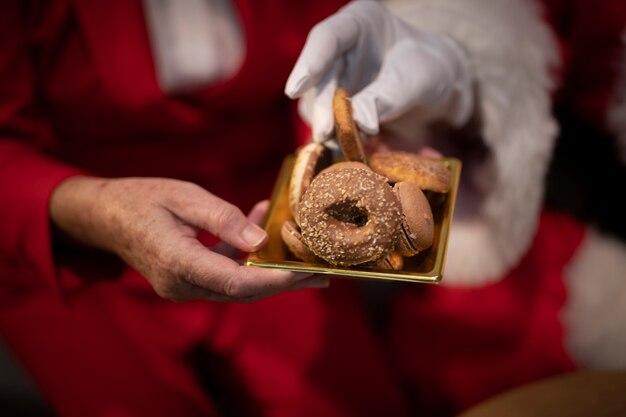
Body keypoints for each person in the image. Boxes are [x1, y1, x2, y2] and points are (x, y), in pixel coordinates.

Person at [1, 1, 625, 417]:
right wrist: (94, 208)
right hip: (64, 240)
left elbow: (344, 60)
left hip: (271, 205)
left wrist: (430, 90)